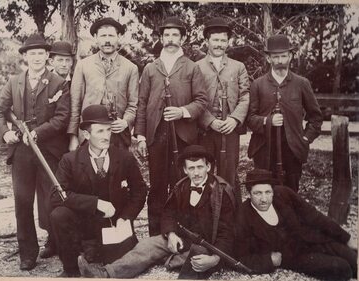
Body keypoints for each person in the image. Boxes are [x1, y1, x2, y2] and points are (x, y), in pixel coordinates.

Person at [77, 144, 238, 279]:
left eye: (200, 167)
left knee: (198, 259)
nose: (196, 173)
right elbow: (169, 213)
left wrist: (215, 258)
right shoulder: (181, 186)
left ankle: (171, 260)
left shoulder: (220, 191)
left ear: (208, 167)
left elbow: (227, 230)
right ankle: (106, 274)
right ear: (185, 170)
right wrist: (171, 234)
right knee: (146, 245)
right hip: (183, 239)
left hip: (208, 245)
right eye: (191, 168)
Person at [0, 33, 70, 270]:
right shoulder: (14, 82)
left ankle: (55, 241)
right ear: (25, 57)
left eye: (41, 53)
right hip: (22, 153)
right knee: (22, 202)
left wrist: (37, 133)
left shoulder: (59, 83)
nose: (37, 57)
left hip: (49, 150)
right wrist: (6, 133)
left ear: (47, 56)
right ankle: (27, 253)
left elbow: (62, 117)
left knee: (51, 199)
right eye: (32, 53)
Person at [50, 104, 147, 277]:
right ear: (86, 134)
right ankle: (71, 268)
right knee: (59, 214)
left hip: (115, 223)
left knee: (121, 266)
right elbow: (57, 196)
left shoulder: (124, 157)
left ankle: (96, 251)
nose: (106, 136)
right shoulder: (70, 160)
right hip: (84, 223)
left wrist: (127, 217)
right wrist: (96, 203)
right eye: (100, 131)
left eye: (108, 130)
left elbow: (140, 191)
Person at [134, 16, 208, 236]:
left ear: (183, 38)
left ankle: (183, 233)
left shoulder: (192, 67)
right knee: (157, 186)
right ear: (161, 38)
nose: (171, 39)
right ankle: (156, 236)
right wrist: (140, 136)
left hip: (183, 135)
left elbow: (202, 101)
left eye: (175, 35)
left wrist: (182, 111)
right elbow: (142, 102)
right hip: (157, 135)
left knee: (182, 184)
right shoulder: (150, 68)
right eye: (167, 35)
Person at [234, 168, 357, 280]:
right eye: (258, 193)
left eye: (268, 192)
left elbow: (315, 216)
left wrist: (346, 237)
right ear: (249, 193)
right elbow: (240, 257)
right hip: (294, 257)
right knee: (342, 268)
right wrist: (269, 260)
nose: (264, 199)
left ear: (273, 190)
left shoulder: (284, 194)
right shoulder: (243, 216)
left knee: (352, 258)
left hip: (310, 241)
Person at [246, 34, 323, 192]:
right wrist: (268, 121)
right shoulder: (258, 84)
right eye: (276, 57)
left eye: (283, 56)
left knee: (291, 193)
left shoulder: (301, 83)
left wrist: (305, 139)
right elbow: (250, 119)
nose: (280, 60)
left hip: (292, 149)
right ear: (268, 59)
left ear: (290, 56)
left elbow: (316, 117)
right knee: (265, 192)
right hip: (264, 149)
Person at [197, 18, 250, 201]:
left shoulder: (238, 67)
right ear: (207, 41)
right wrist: (210, 121)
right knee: (204, 172)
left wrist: (234, 119)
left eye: (223, 40)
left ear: (228, 42)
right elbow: (194, 98)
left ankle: (231, 217)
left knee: (229, 174)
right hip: (205, 131)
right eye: (215, 40)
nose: (219, 44)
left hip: (230, 129)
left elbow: (245, 96)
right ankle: (206, 217)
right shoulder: (197, 67)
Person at [68, 17, 139, 151]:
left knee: (117, 170)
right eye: (103, 36)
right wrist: (73, 136)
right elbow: (75, 104)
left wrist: (125, 122)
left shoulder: (131, 68)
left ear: (119, 37)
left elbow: (133, 104)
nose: (107, 40)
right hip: (88, 134)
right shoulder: (83, 65)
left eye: (111, 35)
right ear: (96, 38)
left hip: (117, 135)